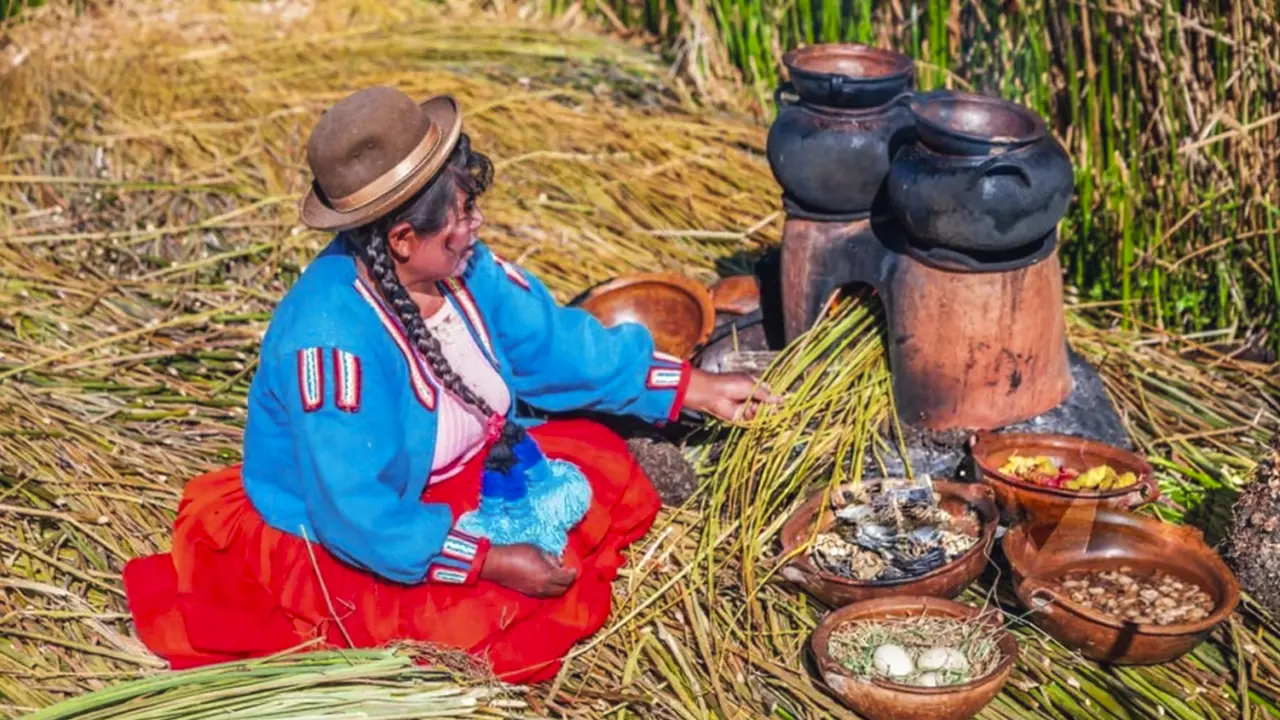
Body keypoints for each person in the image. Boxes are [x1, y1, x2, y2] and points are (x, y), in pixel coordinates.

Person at [122, 86, 778, 684]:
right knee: (482, 627)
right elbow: (356, 512)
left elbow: (551, 342)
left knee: (602, 467)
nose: (477, 227)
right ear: (404, 239)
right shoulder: (329, 340)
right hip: (362, 528)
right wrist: (487, 558)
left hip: (457, 477)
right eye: (463, 214)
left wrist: (688, 386)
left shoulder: (464, 267)